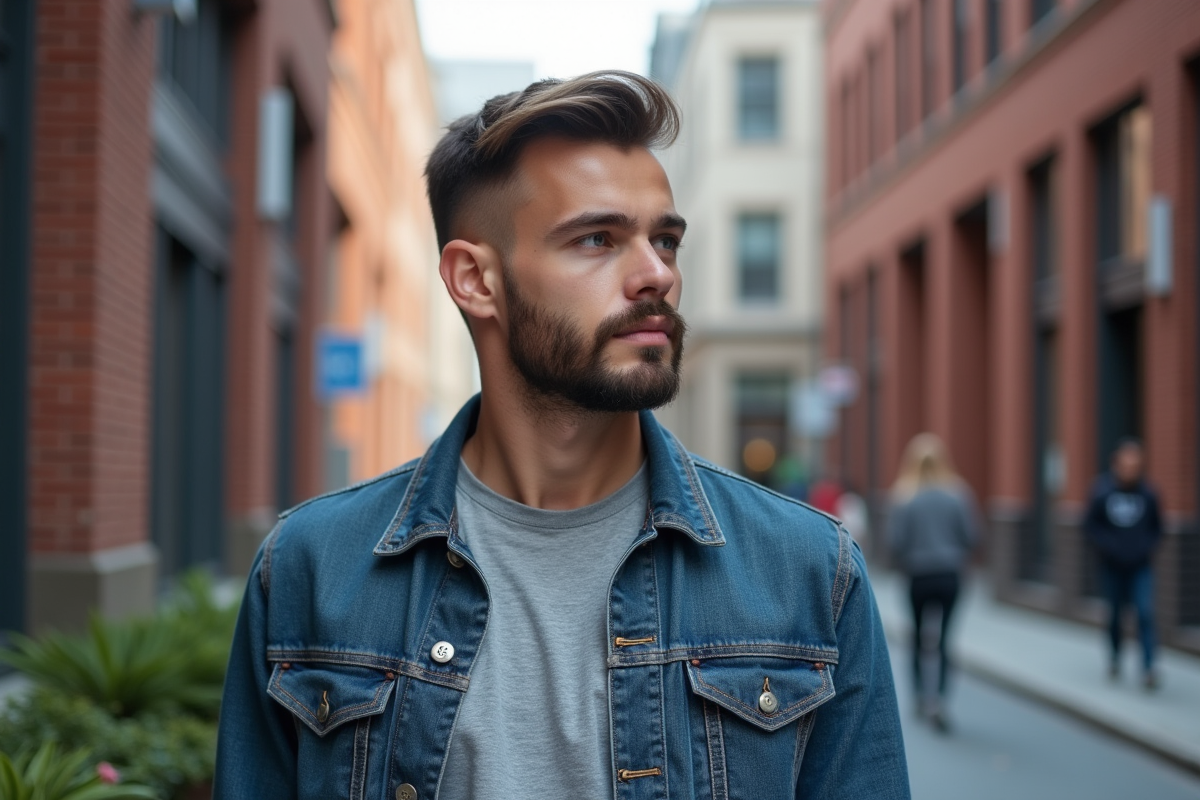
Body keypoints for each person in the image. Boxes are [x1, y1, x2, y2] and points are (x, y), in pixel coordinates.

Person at [214, 71, 909, 799]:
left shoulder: (808, 573)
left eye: (665, 240)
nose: (656, 275)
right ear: (475, 280)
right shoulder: (308, 570)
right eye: (597, 239)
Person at [887, 433, 978, 732]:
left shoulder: (904, 497)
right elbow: (972, 535)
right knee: (944, 639)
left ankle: (917, 696)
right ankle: (938, 698)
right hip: (950, 573)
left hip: (918, 574)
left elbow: (896, 541)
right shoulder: (958, 494)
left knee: (916, 635)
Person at [1082, 438, 1163, 689]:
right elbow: (1090, 526)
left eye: (1135, 464)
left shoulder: (1149, 494)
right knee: (1115, 614)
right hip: (1112, 566)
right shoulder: (1102, 491)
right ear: (1116, 464)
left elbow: (1158, 528)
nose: (1130, 469)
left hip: (1140, 565)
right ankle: (1115, 656)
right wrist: (1108, 548)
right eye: (1126, 464)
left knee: (1145, 613)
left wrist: (1145, 548)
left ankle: (1149, 668)